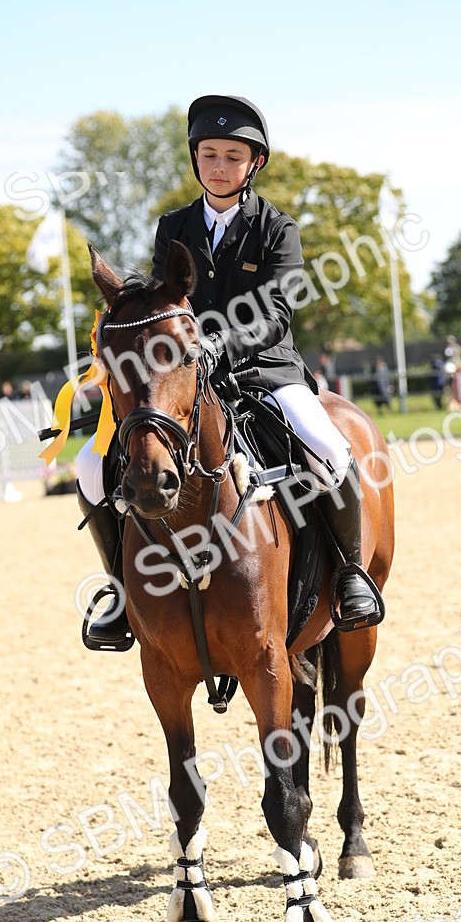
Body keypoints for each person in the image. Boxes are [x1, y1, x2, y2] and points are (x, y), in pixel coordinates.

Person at [76, 94, 380, 647]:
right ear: (196, 158)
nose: (219, 166)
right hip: (186, 377)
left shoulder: (276, 228)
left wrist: (221, 345)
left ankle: (351, 574)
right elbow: (165, 303)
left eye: (232, 156)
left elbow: (278, 311)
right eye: (209, 154)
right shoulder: (174, 226)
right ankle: (121, 593)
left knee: (329, 448)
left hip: (267, 371)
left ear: (254, 163)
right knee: (91, 466)